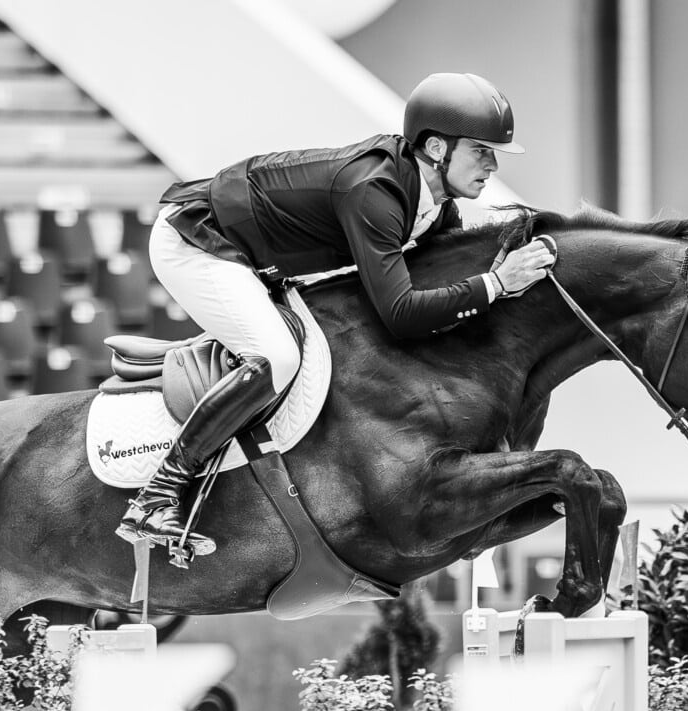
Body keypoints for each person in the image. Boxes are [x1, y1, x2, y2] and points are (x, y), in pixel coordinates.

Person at [118, 71, 557, 557]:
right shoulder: (374, 192)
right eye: (482, 150)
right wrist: (496, 284)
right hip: (198, 243)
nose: (492, 164)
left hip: (257, 255)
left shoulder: (435, 205)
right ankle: (158, 494)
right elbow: (402, 313)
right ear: (436, 148)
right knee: (277, 357)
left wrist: (496, 278)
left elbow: (442, 286)